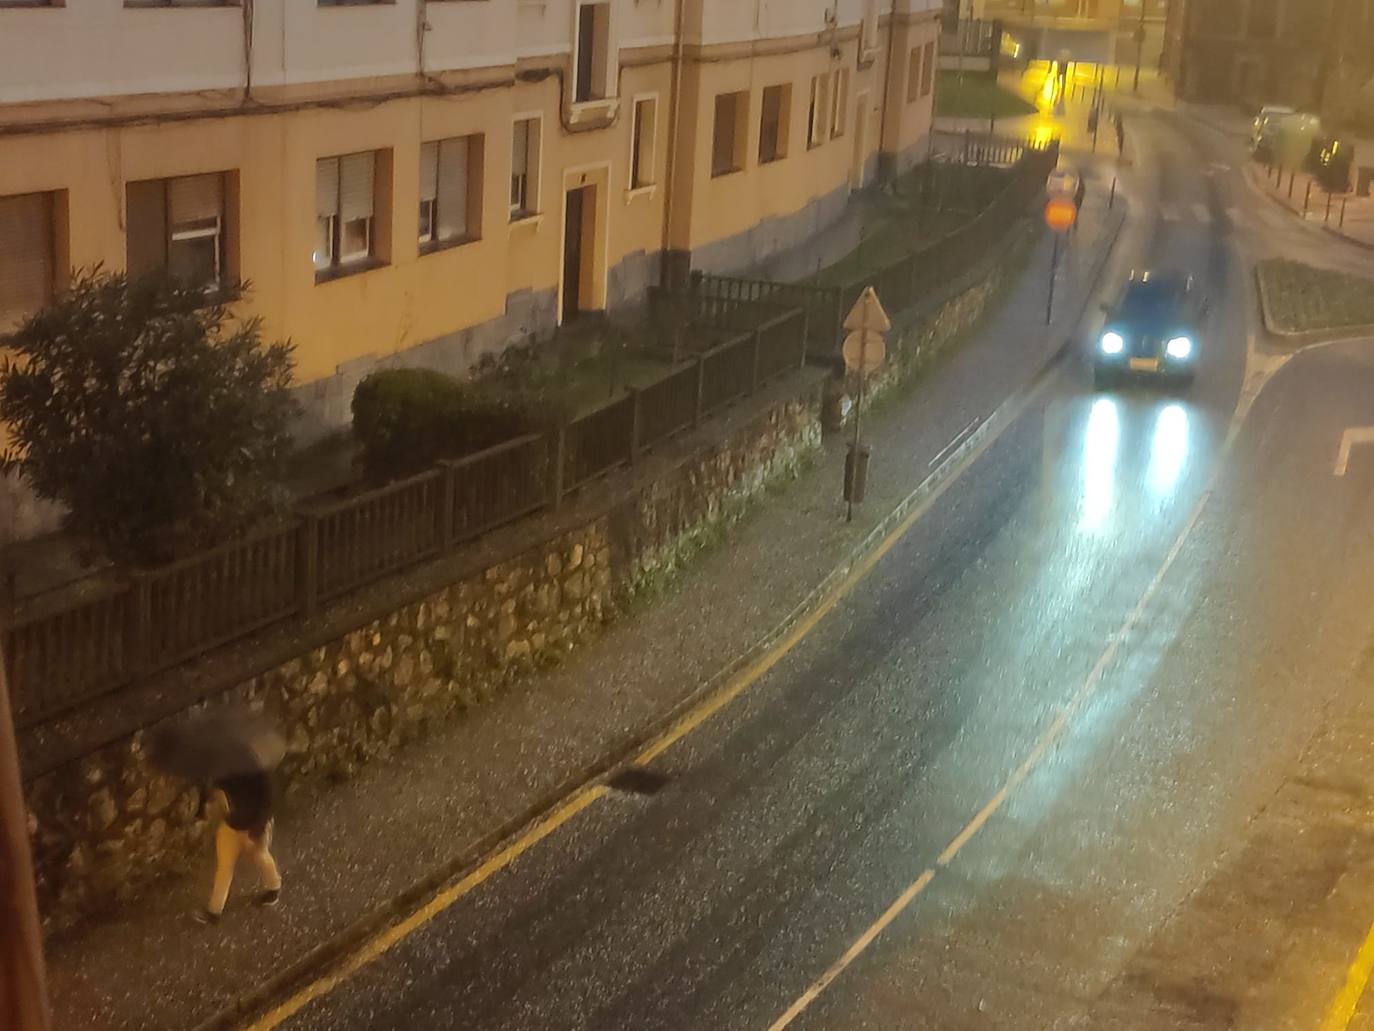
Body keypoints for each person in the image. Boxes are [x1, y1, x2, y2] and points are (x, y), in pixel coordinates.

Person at [194, 768, 282, 924]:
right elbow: (216, 794)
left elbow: (268, 802)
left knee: (259, 856)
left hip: (253, 827)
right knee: (224, 867)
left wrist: (259, 827)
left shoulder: (260, 774)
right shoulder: (223, 772)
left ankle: (274, 886)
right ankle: (214, 911)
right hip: (231, 826)